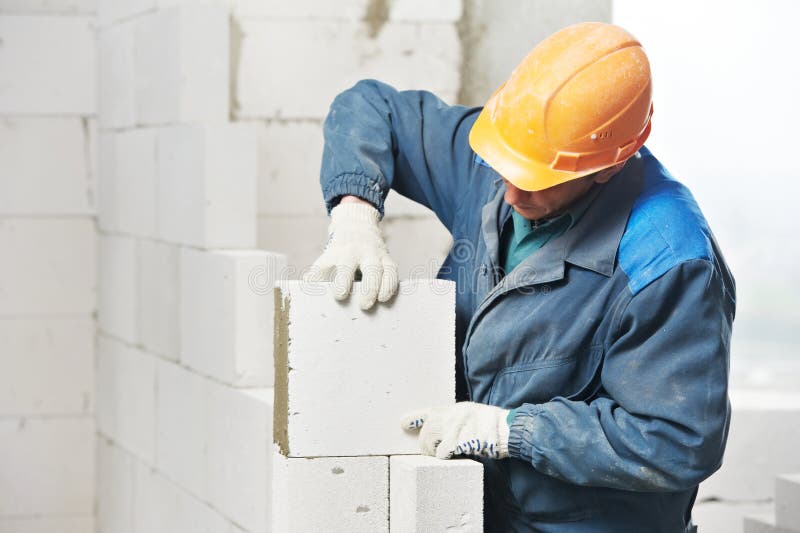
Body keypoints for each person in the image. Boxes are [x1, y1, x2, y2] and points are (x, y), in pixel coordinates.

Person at [305, 22, 735, 533]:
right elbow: (370, 105)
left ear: (607, 167)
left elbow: (676, 439)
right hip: (484, 508)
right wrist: (354, 212)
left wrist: (511, 430)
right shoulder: (512, 153)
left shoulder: (668, 261)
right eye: (504, 166)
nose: (510, 193)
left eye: (536, 181)